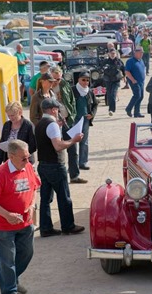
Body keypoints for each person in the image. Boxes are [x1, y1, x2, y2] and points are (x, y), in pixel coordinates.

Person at [0, 139, 40, 294]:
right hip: (4, 226)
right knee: (7, 260)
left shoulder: (27, 167)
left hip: (25, 222)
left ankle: (13, 280)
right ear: (11, 156)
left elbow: (34, 188)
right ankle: (9, 292)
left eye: (28, 157)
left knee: (27, 253)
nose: (27, 161)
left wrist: (31, 205)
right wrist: (7, 215)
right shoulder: (0, 174)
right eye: (23, 158)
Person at [34, 98, 85, 237]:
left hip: (43, 164)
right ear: (53, 110)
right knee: (64, 197)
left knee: (45, 198)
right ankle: (68, 226)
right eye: (57, 110)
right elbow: (58, 146)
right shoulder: (52, 125)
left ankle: (45, 228)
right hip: (55, 165)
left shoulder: (39, 124)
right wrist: (73, 140)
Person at [50, 66, 87, 184]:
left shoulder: (65, 85)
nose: (57, 82)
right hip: (53, 124)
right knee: (55, 151)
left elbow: (72, 101)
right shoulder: (46, 90)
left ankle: (74, 176)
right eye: (54, 79)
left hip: (67, 121)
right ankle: (55, 178)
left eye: (59, 79)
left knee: (72, 149)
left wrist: (72, 115)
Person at [0, 101, 37, 168]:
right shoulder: (7, 125)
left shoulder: (28, 125)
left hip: (25, 162)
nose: (11, 118)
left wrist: (21, 154)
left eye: (13, 115)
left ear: (20, 112)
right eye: (9, 116)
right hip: (9, 162)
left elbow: (33, 145)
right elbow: (1, 146)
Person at [71, 71, 98, 171]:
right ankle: (73, 164)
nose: (85, 82)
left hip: (85, 120)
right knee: (72, 142)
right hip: (74, 119)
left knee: (84, 142)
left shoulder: (90, 92)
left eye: (87, 80)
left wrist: (92, 114)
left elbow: (95, 104)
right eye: (83, 80)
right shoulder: (72, 90)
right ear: (78, 80)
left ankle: (83, 162)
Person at [124, 46, 146, 118]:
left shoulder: (141, 60)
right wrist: (133, 80)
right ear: (135, 53)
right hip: (134, 81)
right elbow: (127, 71)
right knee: (137, 95)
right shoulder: (130, 61)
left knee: (141, 96)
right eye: (140, 53)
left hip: (141, 81)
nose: (141, 54)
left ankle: (137, 112)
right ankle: (128, 108)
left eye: (142, 53)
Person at [102, 48, 125, 116]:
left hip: (116, 80)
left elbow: (123, 69)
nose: (112, 55)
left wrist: (124, 77)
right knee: (109, 95)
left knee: (113, 94)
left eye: (114, 53)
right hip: (108, 80)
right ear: (108, 54)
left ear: (116, 54)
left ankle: (112, 109)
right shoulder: (105, 61)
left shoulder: (119, 61)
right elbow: (100, 68)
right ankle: (110, 108)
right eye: (111, 53)